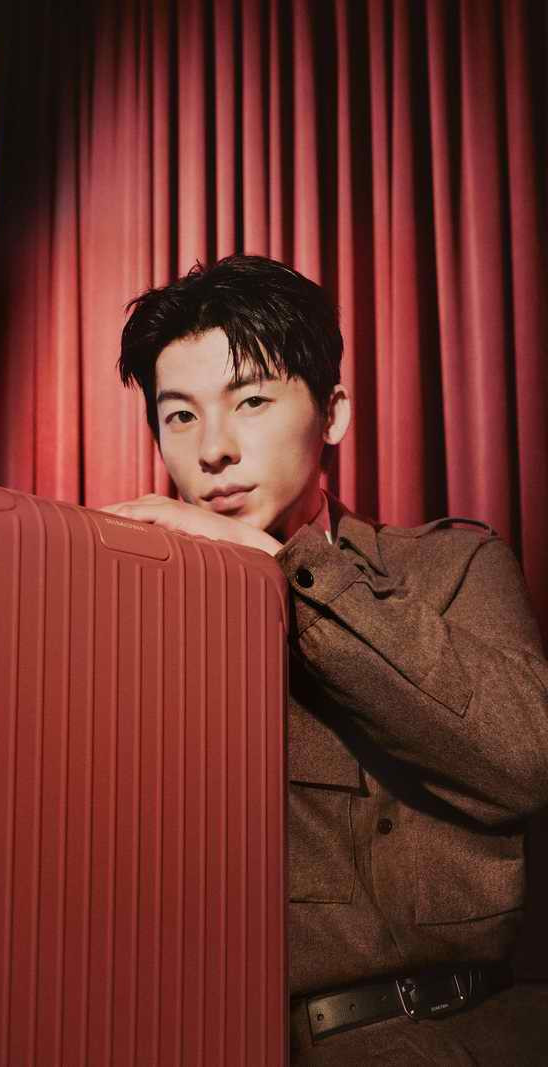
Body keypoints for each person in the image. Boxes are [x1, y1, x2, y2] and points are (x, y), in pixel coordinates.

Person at [100, 254, 548, 1064]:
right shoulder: (135, 615)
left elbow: (522, 759)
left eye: (251, 401)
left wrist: (286, 566)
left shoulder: (451, 569)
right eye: (180, 416)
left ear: (332, 413)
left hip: (456, 1033)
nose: (213, 449)